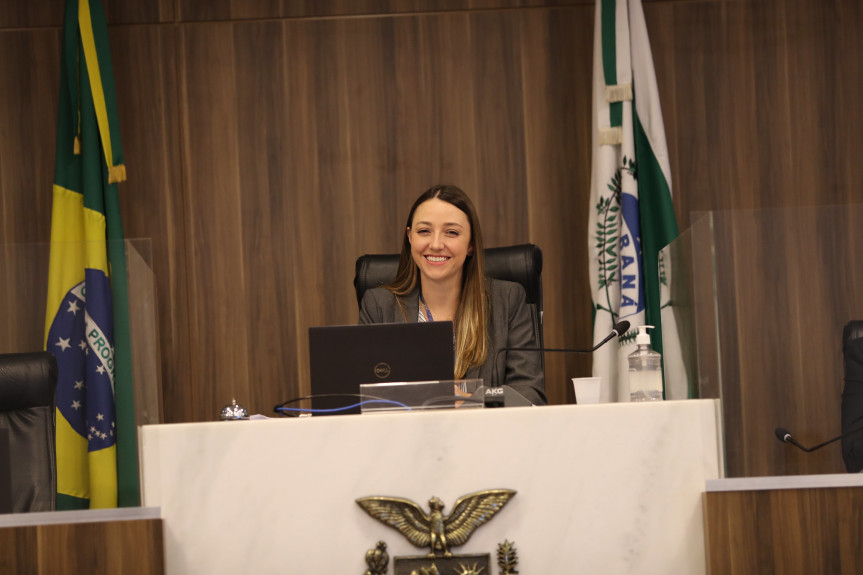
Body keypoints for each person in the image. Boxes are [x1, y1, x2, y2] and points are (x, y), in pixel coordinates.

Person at [359, 184, 546, 405]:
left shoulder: (508, 301)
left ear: (471, 244)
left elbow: (530, 394)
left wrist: (473, 400)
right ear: (410, 237)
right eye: (424, 231)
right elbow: (363, 398)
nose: (436, 244)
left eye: (452, 233)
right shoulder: (379, 306)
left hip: (486, 436)